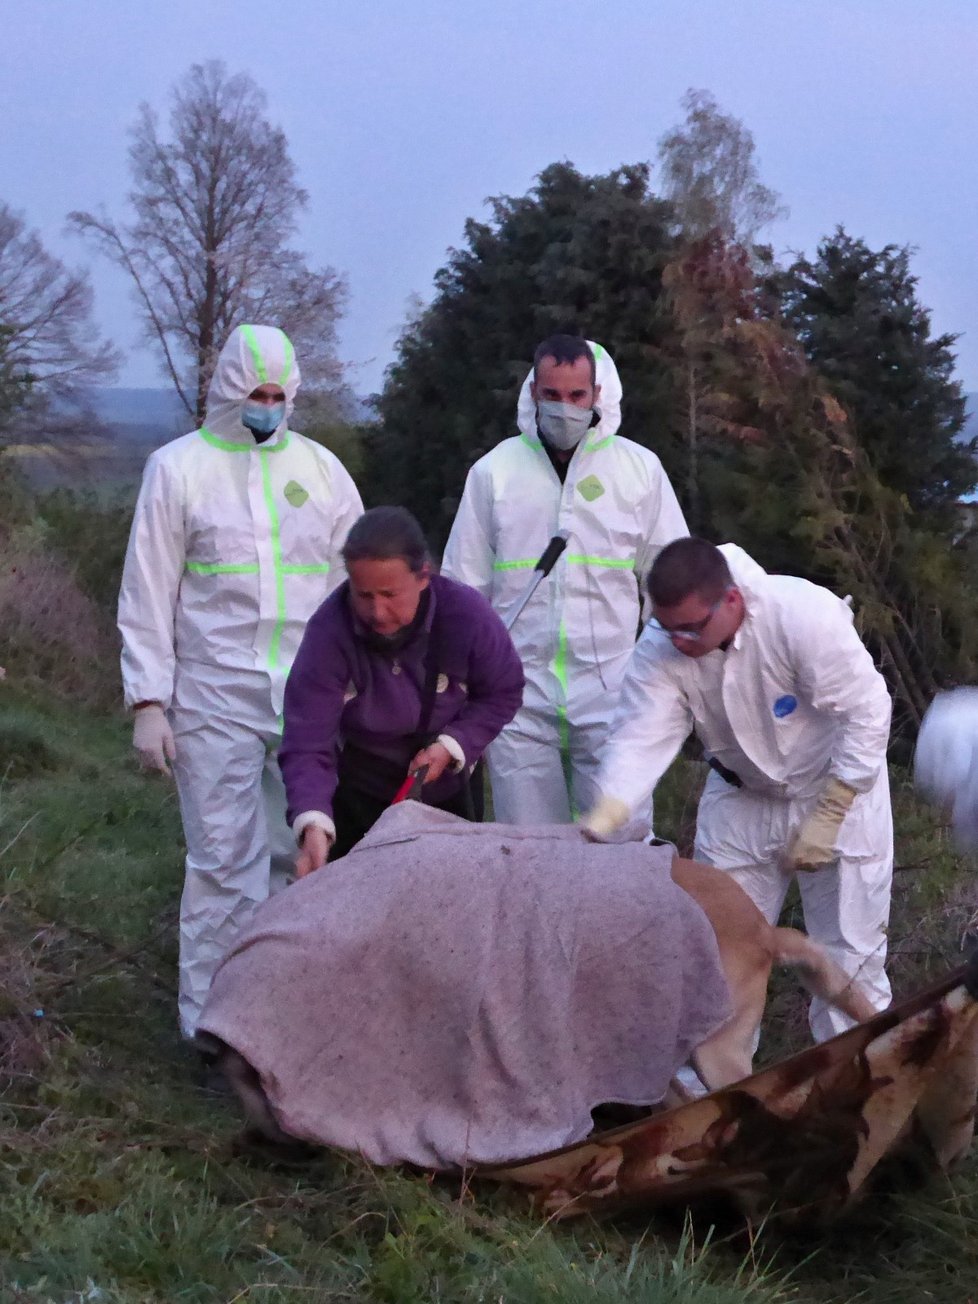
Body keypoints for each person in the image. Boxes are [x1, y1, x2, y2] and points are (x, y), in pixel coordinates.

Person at [118, 323, 363, 1038]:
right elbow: (149, 589)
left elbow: (355, 582)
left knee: (302, 852)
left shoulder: (320, 472)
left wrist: (360, 680)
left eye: (279, 395)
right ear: (229, 390)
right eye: (256, 393)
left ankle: (284, 1020)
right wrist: (148, 700)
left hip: (309, 696)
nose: (268, 405)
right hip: (213, 693)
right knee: (224, 861)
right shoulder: (178, 470)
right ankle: (213, 1030)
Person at [582, 536, 894, 1042]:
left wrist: (834, 807)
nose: (678, 641)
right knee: (711, 962)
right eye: (668, 629)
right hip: (739, 799)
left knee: (851, 956)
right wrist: (609, 812)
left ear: (730, 600)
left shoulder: (800, 613)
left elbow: (867, 711)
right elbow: (639, 739)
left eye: (691, 628)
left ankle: (857, 1093)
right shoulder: (661, 648)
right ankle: (719, 1102)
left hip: (837, 790)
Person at [441, 335, 687, 823]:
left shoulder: (639, 471)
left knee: (621, 848)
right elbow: (463, 590)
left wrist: (665, 681)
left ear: (598, 394)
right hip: (518, 693)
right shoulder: (494, 473)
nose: (564, 409)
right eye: (552, 395)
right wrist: (460, 685)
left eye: (577, 396)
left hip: (612, 690)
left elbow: (671, 585)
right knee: (528, 854)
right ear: (533, 390)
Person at [279, 505, 525, 869]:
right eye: (363, 595)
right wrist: (313, 823)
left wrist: (454, 744)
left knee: (450, 901)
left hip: (447, 788)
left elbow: (504, 690)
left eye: (390, 594)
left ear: (423, 576)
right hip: (362, 792)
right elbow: (306, 741)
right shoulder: (328, 632)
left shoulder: (467, 615)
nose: (377, 612)